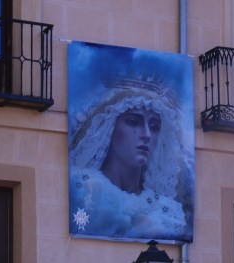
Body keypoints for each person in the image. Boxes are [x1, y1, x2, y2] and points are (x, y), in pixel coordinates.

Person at [68, 76, 191, 240]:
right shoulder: (80, 186)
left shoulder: (167, 211)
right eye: (133, 122)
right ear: (109, 127)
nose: (147, 135)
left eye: (154, 127)